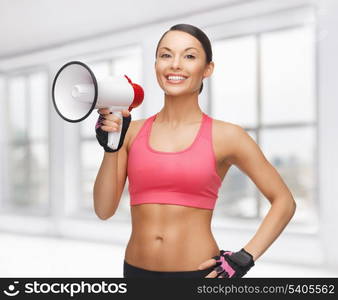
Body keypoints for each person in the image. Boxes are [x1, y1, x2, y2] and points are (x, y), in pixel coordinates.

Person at [93, 24, 297, 278]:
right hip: (135, 273)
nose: (175, 64)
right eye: (166, 55)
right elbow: (103, 210)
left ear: (207, 68)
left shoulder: (228, 136)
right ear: (156, 64)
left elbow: (284, 201)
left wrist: (245, 257)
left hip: (197, 276)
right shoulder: (130, 131)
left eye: (189, 56)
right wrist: (110, 147)